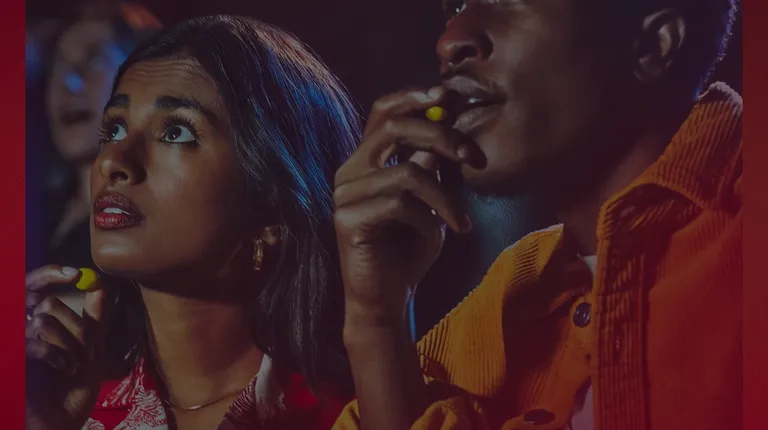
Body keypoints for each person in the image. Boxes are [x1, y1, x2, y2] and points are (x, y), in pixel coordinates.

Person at [332, 0, 741, 429]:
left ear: (653, 45)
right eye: (455, 6)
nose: (450, 41)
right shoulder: (513, 291)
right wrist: (378, 322)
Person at [25, 15, 360, 430]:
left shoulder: (354, 415)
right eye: (113, 129)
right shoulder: (69, 413)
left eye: (176, 133)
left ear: (270, 208)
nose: (112, 161)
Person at [33, 2, 161, 314]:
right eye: (58, 66)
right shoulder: (36, 207)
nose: (68, 82)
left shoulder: (153, 220)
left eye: (93, 61)